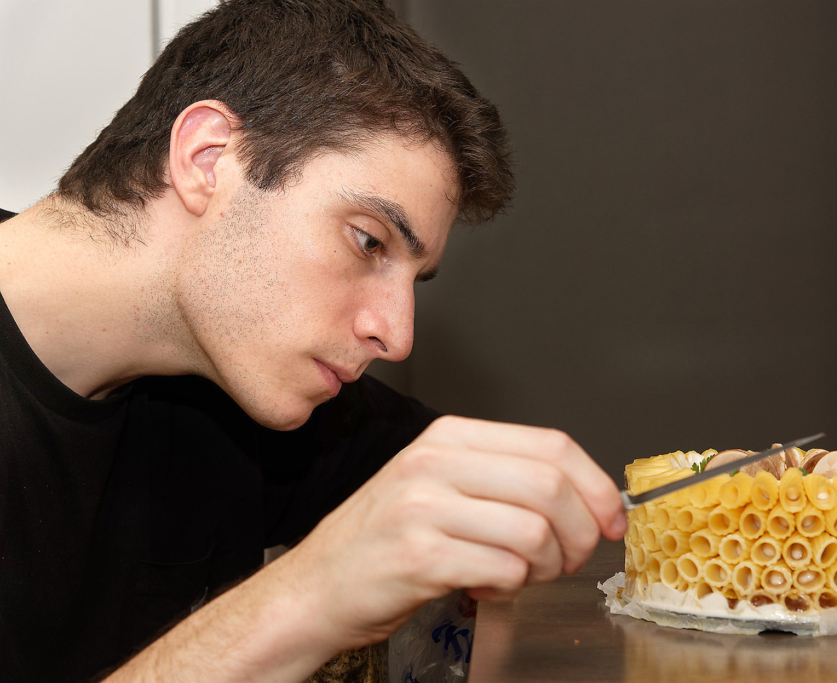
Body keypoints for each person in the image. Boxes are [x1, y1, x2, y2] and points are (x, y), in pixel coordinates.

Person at [0, 1, 626, 681]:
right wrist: (310, 592)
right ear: (209, 159)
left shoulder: (247, 386)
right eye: (368, 241)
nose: (397, 334)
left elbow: (501, 493)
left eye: (415, 277)